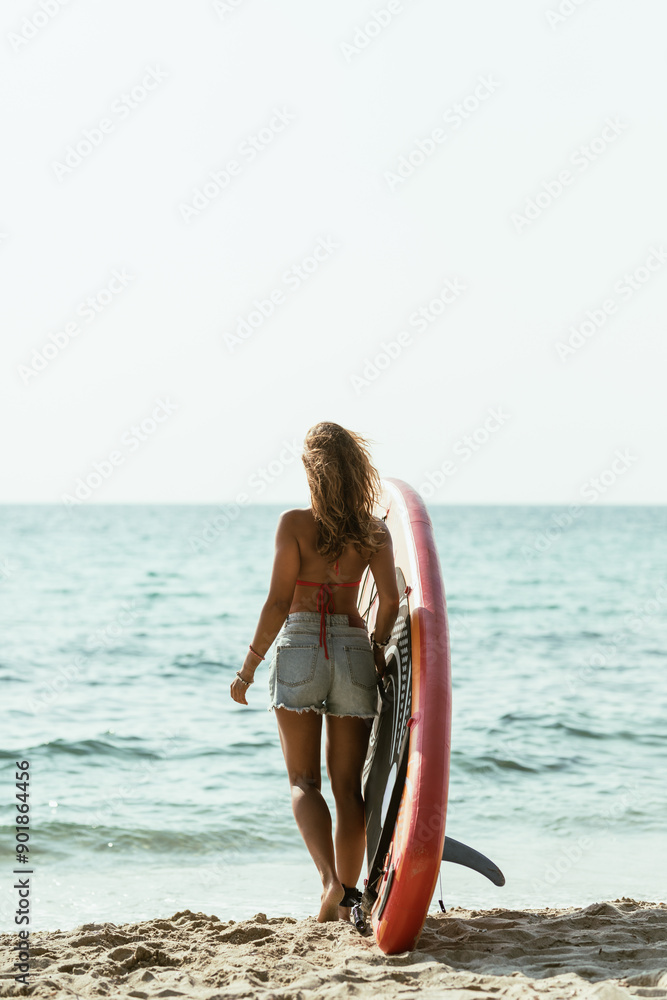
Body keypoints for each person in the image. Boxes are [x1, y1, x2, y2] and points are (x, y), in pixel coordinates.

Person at [229, 421, 400, 922]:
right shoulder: (374, 531)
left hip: (302, 646)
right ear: (356, 471)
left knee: (304, 782)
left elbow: (279, 601)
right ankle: (348, 896)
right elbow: (389, 600)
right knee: (348, 788)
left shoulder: (293, 524)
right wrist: (375, 646)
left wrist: (248, 670)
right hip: (351, 647)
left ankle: (329, 882)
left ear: (314, 472)